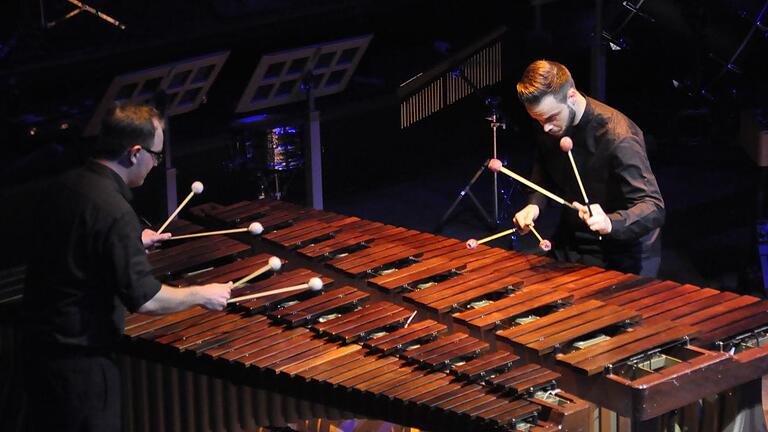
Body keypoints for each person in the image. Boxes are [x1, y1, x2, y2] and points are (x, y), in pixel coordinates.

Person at [19, 104, 232, 431]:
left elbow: (75, 246)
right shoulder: (114, 210)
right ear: (134, 153)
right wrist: (202, 294)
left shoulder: (67, 185)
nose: (156, 165)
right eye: (156, 156)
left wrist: (130, 240)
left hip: (37, 355)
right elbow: (146, 300)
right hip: (82, 368)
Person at [511, 60, 665, 276]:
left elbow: (653, 207)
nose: (545, 127)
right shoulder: (548, 122)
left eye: (550, 118)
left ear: (571, 96)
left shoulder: (619, 137)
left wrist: (610, 223)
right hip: (572, 240)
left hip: (624, 251)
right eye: (537, 119)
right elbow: (544, 170)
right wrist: (534, 205)